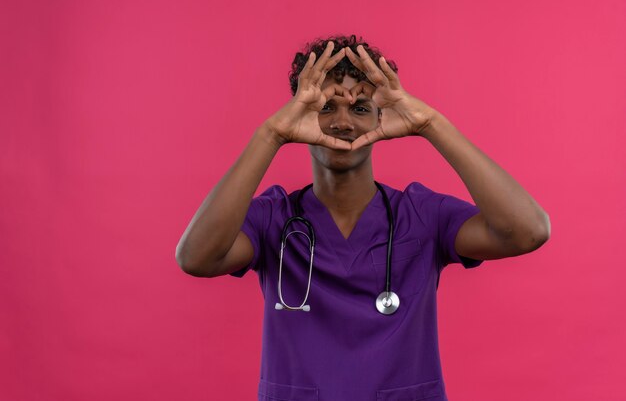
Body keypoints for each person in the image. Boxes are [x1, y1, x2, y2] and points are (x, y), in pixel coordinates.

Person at [175, 34, 550, 401]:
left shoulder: (421, 214)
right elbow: (196, 258)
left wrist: (430, 124)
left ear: (380, 117)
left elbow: (527, 231)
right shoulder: (274, 218)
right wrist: (270, 134)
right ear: (298, 114)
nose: (342, 122)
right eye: (325, 107)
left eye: (359, 108)